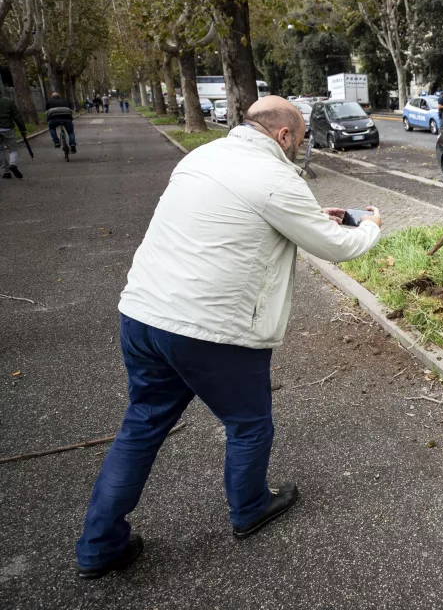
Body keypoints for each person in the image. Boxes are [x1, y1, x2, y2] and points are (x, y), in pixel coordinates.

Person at [75, 96, 383, 580]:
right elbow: (337, 246)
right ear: (283, 135)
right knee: (249, 425)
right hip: (210, 330)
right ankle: (250, 509)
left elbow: (242, 215)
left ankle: (98, 546)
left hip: (142, 313)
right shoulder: (277, 177)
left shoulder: (201, 157)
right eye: (299, 140)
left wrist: (306, 212)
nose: (299, 148)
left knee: (141, 426)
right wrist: (369, 226)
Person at [0, 92, 27, 179]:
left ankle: (6, 172)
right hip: (7, 128)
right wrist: (22, 129)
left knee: (0, 151)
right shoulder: (8, 101)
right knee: (13, 149)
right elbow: (17, 116)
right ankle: (13, 164)